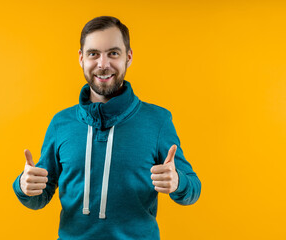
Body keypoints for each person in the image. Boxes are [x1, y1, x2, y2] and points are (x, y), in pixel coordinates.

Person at [13, 16, 201, 240]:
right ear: (82, 59)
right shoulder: (60, 123)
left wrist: (178, 181)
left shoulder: (157, 120)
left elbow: (193, 189)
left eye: (113, 53)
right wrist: (24, 186)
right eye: (94, 54)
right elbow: (39, 196)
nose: (103, 64)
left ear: (128, 57)